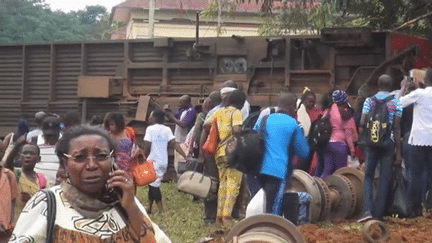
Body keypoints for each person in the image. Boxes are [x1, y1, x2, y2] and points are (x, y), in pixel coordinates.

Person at [9, 125, 171, 242]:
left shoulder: (125, 202)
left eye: (101, 156)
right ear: (65, 163)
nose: (92, 165)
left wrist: (131, 207)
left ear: (112, 160)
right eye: (79, 157)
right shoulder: (47, 204)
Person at [254, 92, 309, 215]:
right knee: (274, 208)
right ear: (292, 107)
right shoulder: (293, 123)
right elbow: (303, 152)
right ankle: (272, 229)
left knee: (269, 201)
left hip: (260, 170)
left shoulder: (264, 119)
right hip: (278, 171)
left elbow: (253, 137)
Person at [358, 74, 403, 222]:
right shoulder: (396, 103)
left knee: (369, 176)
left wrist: (363, 142)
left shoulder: (369, 101)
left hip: (371, 142)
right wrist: (398, 152)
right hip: (388, 143)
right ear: (390, 87)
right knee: (384, 177)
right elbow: (396, 128)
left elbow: (363, 123)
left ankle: (367, 211)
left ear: (378, 85)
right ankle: (379, 214)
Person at [202, 89, 245, 225]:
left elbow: (206, 124)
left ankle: (219, 216)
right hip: (231, 153)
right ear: (241, 103)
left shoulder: (218, 112)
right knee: (233, 184)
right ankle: (227, 216)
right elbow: (237, 130)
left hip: (219, 153)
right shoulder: (236, 112)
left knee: (223, 184)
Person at [399, 69, 432, 218]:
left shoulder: (420, 94)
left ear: (426, 79)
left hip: (419, 139)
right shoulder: (422, 92)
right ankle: (430, 206)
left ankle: (414, 208)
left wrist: (404, 88)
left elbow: (399, 103)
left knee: (416, 174)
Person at [143, 110, 187, 214]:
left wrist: (143, 158)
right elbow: (174, 144)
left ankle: (161, 210)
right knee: (152, 183)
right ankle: (149, 207)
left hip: (153, 160)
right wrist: (185, 155)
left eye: (150, 116)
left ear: (154, 118)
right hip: (163, 161)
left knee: (154, 185)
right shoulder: (167, 129)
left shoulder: (150, 129)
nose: (149, 118)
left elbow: (147, 146)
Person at [316, 90, 358, 179]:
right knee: (340, 173)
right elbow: (348, 134)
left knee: (327, 170)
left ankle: (319, 187)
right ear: (345, 101)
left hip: (328, 144)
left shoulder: (328, 111)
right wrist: (352, 150)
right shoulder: (346, 114)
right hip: (340, 146)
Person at [4, 136, 46, 221]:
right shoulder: (16, 174)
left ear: (38, 159)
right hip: (15, 221)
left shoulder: (41, 178)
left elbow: (45, 203)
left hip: (32, 222)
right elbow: (7, 164)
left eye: (32, 154)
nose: (28, 156)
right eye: (25, 153)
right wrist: (17, 146)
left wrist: (31, 199)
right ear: (20, 157)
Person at [164, 95, 196, 174]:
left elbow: (183, 124)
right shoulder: (181, 110)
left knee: (183, 162)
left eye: (181, 102)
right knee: (177, 162)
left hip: (185, 141)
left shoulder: (191, 111)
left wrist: (172, 116)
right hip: (178, 140)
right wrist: (167, 112)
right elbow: (171, 119)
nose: (179, 104)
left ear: (187, 102)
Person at [33, 116, 62, 187]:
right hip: (36, 186)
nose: (50, 138)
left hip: (58, 187)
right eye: (48, 135)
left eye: (53, 135)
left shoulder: (65, 142)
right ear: (43, 132)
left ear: (58, 131)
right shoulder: (34, 141)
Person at [104, 112, 135, 177]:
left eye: (112, 124)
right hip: (114, 167)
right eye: (109, 125)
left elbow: (134, 145)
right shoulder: (109, 135)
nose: (110, 127)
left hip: (129, 165)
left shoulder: (128, 131)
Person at [0, 165, 17, 243]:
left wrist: (12, 223)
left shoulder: (9, 175)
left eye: (2, 151)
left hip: (5, 232)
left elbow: (13, 201)